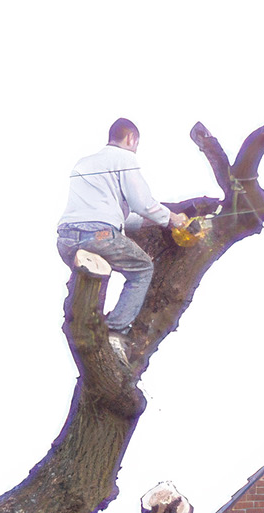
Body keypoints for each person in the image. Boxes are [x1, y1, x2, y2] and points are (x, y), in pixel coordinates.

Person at [57, 118, 188, 363]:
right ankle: (116, 332)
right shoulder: (125, 158)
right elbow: (142, 203)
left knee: (92, 274)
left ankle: (84, 322)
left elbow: (118, 216)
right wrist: (172, 219)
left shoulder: (84, 163)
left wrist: (152, 220)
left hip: (67, 239)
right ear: (131, 139)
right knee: (142, 268)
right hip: (98, 235)